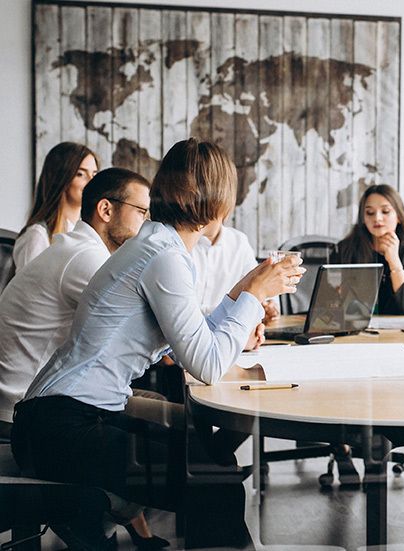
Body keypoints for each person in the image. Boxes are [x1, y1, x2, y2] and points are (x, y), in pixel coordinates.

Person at [10, 138, 305, 549]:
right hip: (61, 427)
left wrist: (247, 289)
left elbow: (193, 337)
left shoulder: (157, 246)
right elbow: (206, 362)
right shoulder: (162, 256)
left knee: (215, 463)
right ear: (214, 201)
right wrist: (254, 295)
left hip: (60, 418)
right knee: (216, 483)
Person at [0, 168, 166, 548]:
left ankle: (112, 517)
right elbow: (149, 323)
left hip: (33, 399)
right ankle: (105, 515)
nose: (147, 224)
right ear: (106, 209)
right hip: (27, 409)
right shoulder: (86, 259)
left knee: (147, 412)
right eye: (142, 212)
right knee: (159, 430)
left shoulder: (73, 248)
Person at [333, 184, 404, 315]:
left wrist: (394, 261)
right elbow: (331, 302)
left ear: (399, 216)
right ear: (363, 218)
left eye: (385, 211)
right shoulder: (345, 248)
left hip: (400, 331)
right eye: (370, 213)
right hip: (355, 326)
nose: (377, 218)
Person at [14, 142, 98, 269]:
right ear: (61, 178)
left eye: (94, 175)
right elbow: (30, 288)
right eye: (80, 174)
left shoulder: (87, 233)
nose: (92, 182)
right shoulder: (37, 236)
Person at [191, 219, 279, 323]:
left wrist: (268, 305)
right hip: (188, 327)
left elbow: (257, 279)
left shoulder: (239, 241)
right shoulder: (181, 241)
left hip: (226, 325)